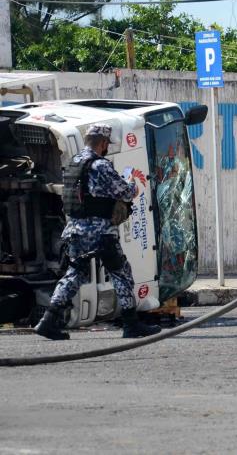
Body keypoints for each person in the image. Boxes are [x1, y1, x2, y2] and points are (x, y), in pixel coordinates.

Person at [34, 124, 161, 340]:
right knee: (121, 273)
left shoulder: (75, 163)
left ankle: (48, 321)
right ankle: (131, 325)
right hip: (100, 232)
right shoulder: (100, 165)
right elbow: (125, 192)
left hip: (75, 230)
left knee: (74, 274)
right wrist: (133, 184)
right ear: (103, 143)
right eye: (106, 145)